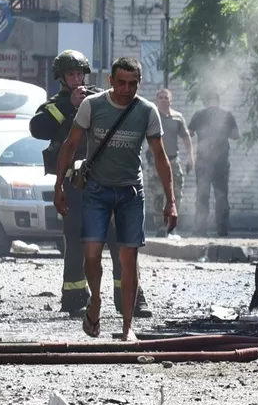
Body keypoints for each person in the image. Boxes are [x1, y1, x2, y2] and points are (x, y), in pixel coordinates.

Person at [52, 56, 178, 341]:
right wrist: (59, 187)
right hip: (96, 191)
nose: (126, 89)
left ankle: (127, 327)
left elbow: (160, 157)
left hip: (130, 192)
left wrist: (171, 200)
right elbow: (70, 145)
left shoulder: (146, 111)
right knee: (92, 255)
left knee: (128, 258)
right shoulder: (92, 106)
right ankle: (94, 301)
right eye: (121, 82)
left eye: (132, 84)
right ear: (111, 81)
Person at [29, 51, 114, 316]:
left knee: (118, 239)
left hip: (104, 181)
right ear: (61, 78)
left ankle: (131, 299)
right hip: (73, 186)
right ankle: (75, 297)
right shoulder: (55, 105)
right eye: (71, 75)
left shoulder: (99, 98)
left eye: (80, 74)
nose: (77, 80)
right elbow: (37, 128)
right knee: (75, 241)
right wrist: (69, 106)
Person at [186, 91, 239, 236]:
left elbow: (188, 133)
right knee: (221, 195)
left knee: (202, 195)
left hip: (203, 161)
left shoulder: (199, 115)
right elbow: (236, 136)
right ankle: (222, 229)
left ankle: (200, 229)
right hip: (221, 162)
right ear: (218, 101)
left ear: (206, 101)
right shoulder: (227, 115)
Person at [149, 87, 193, 236]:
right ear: (156, 100)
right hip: (156, 161)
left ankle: (171, 225)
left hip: (174, 161)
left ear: (171, 100)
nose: (163, 100)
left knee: (176, 194)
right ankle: (161, 227)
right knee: (158, 194)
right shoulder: (152, 116)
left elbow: (186, 137)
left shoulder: (177, 117)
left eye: (166, 97)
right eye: (160, 97)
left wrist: (190, 157)